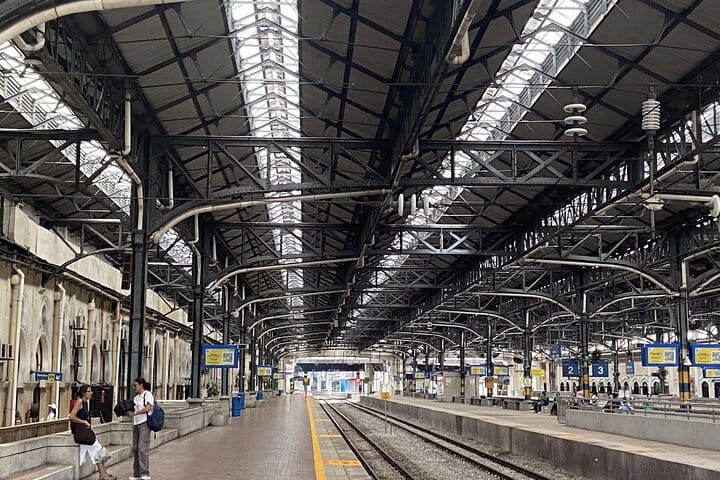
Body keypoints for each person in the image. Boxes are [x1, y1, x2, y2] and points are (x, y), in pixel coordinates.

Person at [69, 384, 116, 480]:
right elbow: (72, 417)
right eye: (89, 391)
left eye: (91, 391)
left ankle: (103, 473)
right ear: (83, 393)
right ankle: (103, 475)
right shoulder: (79, 402)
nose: (91, 393)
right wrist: (83, 422)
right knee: (98, 451)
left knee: (99, 451)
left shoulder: (86, 403)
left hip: (86, 432)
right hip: (81, 433)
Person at [127, 377, 154, 480]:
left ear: (141, 385)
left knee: (142, 448)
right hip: (136, 424)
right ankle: (136, 473)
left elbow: (148, 408)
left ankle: (145, 473)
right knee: (135, 448)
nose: (134, 387)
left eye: (135, 385)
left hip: (144, 423)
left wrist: (135, 413)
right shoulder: (136, 398)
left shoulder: (147, 394)